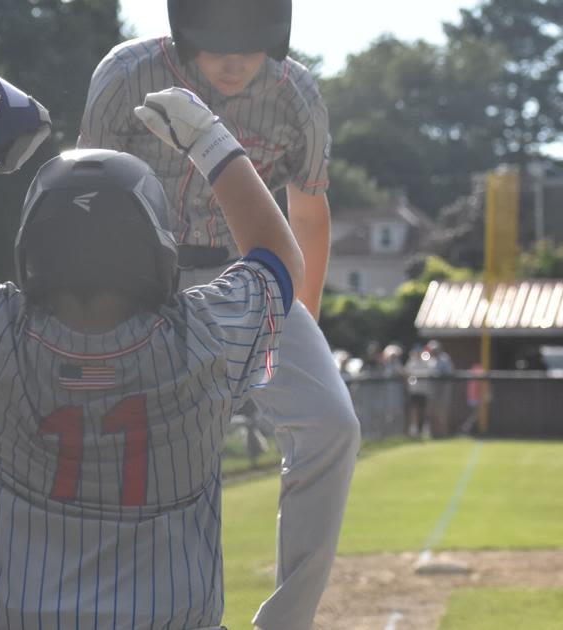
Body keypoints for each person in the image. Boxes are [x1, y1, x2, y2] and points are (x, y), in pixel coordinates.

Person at [0, 77, 302, 627]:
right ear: (156, 245)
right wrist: (212, 142)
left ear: (33, 245)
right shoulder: (204, 337)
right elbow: (280, 259)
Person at [78, 2, 361, 625]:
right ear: (184, 33)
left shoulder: (297, 95)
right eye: (216, 45)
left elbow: (308, 215)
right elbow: (84, 196)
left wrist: (296, 320)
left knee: (333, 425)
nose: (233, 60)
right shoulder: (128, 73)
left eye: (250, 44)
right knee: (156, 456)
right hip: (142, 282)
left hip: (251, 278)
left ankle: (288, 621)